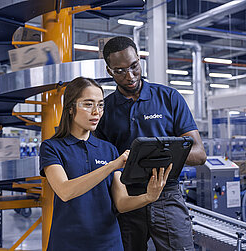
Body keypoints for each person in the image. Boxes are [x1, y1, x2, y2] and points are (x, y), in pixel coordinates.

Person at [95, 36, 207, 251]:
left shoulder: (169, 98)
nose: (130, 76)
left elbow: (199, 154)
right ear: (109, 71)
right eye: (119, 71)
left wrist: (155, 158)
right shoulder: (104, 110)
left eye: (134, 66)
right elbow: (101, 162)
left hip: (167, 192)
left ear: (139, 60)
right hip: (126, 197)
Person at [39, 77, 172, 251]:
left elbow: (121, 203)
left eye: (100, 105)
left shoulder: (108, 149)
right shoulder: (52, 147)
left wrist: (148, 197)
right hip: (68, 243)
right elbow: (65, 191)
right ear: (70, 108)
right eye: (88, 104)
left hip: (108, 244)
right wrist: (111, 166)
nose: (96, 112)